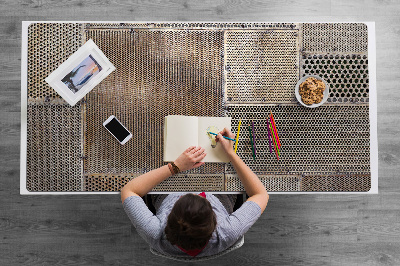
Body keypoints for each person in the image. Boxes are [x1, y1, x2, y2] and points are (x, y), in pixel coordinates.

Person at [121, 128, 269, 258]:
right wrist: (230, 153)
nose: (196, 192)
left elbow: (128, 190)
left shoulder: (155, 233)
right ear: (215, 223)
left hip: (167, 192)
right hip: (220, 195)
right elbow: (261, 194)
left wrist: (174, 167)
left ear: (169, 219)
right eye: (201, 197)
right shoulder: (227, 232)